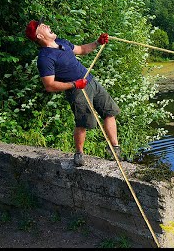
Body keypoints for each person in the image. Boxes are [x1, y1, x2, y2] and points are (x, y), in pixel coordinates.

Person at [25, 18, 121, 167]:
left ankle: (115, 149)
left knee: (109, 112)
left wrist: (97, 42)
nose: (48, 26)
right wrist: (74, 84)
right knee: (83, 123)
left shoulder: (62, 42)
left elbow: (82, 50)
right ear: (39, 36)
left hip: (91, 81)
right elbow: (49, 85)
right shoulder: (45, 58)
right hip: (77, 90)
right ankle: (79, 153)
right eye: (43, 26)